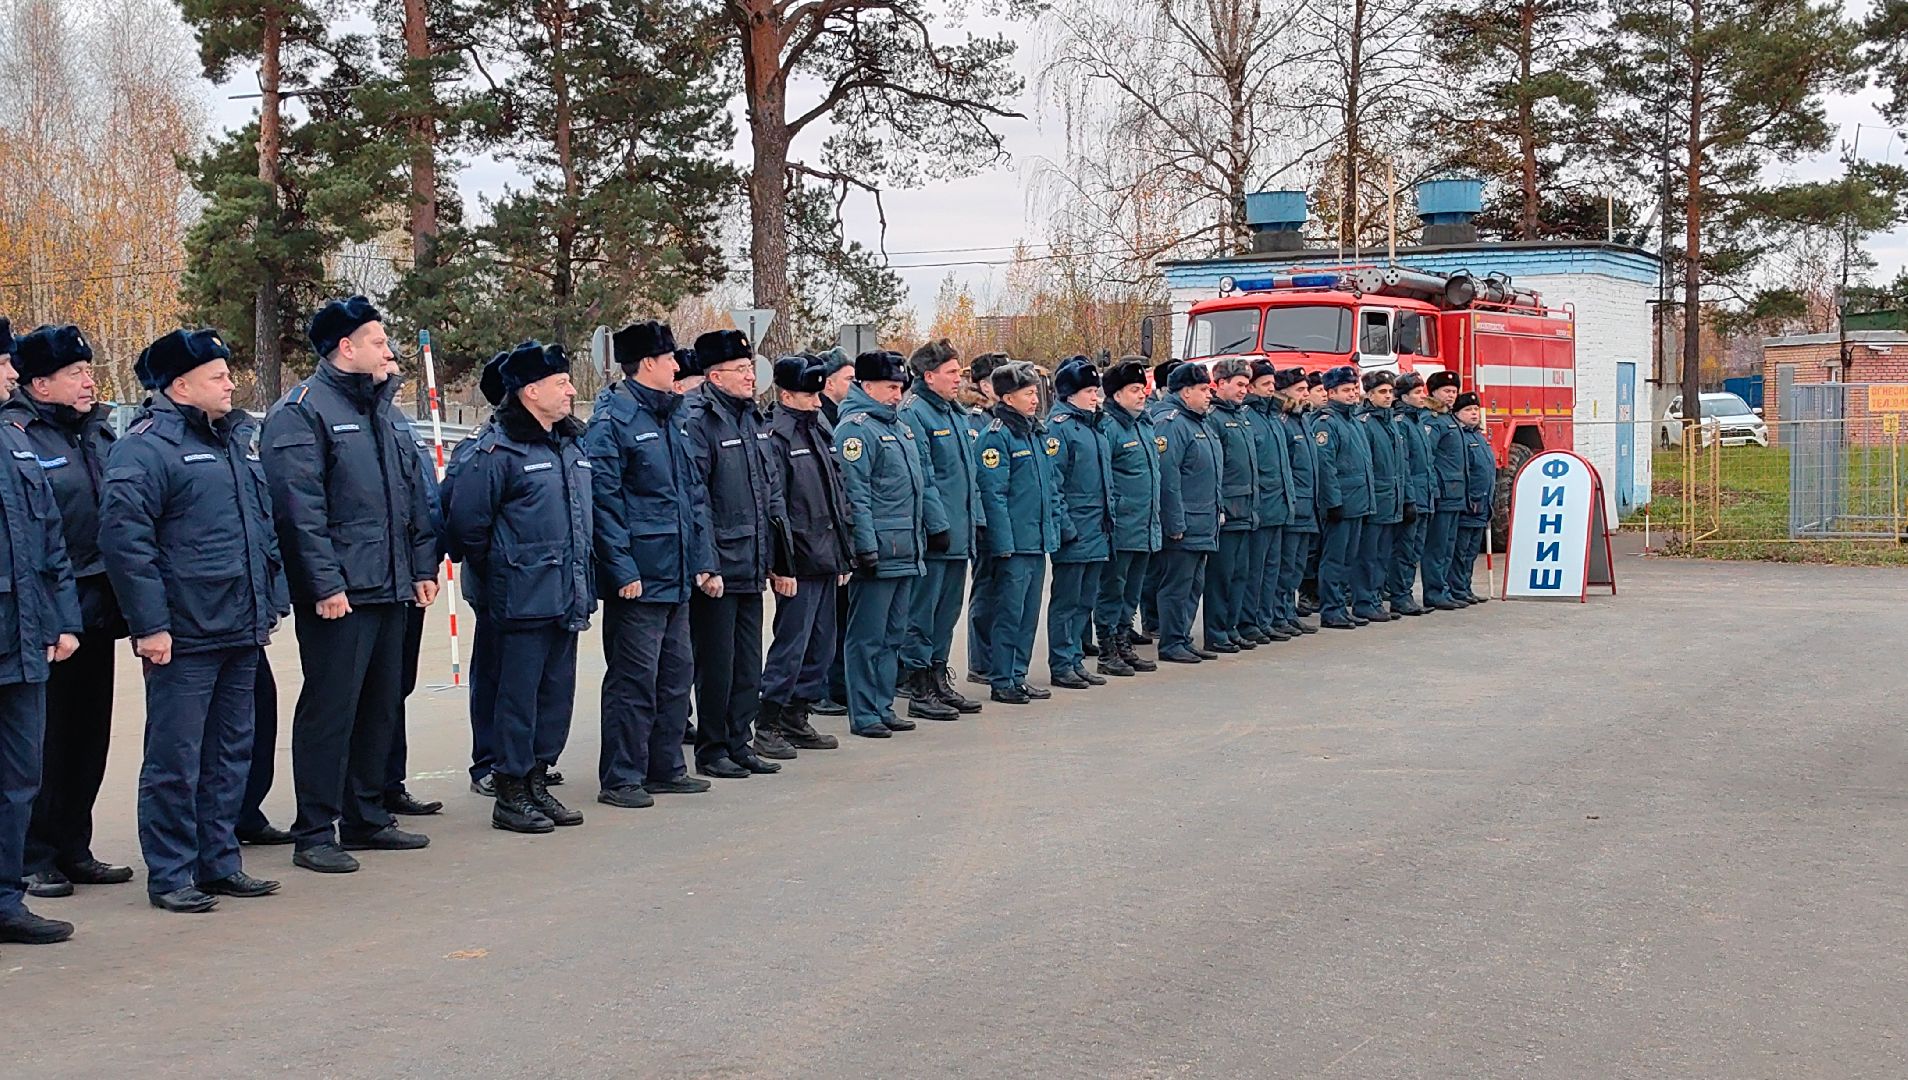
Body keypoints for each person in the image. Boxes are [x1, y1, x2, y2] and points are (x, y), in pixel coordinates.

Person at [102, 327, 287, 912]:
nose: (230, 383)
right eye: (217, 376)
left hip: (239, 623)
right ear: (181, 386)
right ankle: (172, 872)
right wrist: (150, 626)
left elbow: (261, 527)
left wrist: (270, 596)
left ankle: (219, 861)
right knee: (176, 759)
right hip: (183, 632)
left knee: (231, 751)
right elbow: (127, 544)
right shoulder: (145, 448)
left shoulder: (235, 440)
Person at [264, 297, 439, 875]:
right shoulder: (302, 412)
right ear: (346, 347)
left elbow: (415, 500)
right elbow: (298, 512)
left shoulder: (385, 412)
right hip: (341, 593)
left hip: (390, 586)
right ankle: (314, 831)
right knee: (330, 710)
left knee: (381, 705)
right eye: (379, 341)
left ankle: (365, 817)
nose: (389, 351)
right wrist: (324, 584)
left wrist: (420, 569)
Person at [446, 341, 593, 833]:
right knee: (516, 696)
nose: (571, 390)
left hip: (564, 591)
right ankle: (509, 789)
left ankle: (536, 778)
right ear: (531, 391)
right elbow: (468, 526)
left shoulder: (569, 443)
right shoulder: (496, 450)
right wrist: (506, 574)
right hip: (519, 596)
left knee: (555, 695)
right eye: (561, 383)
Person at [7, 326, 132, 897]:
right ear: (40, 383)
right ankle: (33, 855)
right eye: (76, 373)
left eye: (89, 371)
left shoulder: (97, 433)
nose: (89, 381)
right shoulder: (20, 436)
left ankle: (73, 845)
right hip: (46, 612)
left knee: (88, 736)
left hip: (97, 607)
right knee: (43, 743)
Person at [588, 320, 713, 807]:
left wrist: (701, 560)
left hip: (677, 570)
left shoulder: (673, 417)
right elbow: (605, 502)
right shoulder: (613, 421)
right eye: (669, 360)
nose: (678, 367)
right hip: (640, 575)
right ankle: (621, 777)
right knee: (632, 680)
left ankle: (664, 767)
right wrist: (622, 570)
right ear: (647, 364)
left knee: (675, 674)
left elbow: (691, 496)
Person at [0, 317, 82, 943]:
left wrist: (60, 621)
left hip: (22, 639)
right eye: (1, 363)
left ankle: (7, 899)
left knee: (19, 777)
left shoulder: (14, 442)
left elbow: (49, 543)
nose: (10, 373)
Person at [684, 329, 784, 778]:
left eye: (751, 368)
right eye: (741, 370)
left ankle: (740, 740)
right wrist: (706, 563)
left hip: (752, 558)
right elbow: (696, 498)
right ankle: (712, 747)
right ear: (714, 375)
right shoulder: (699, 420)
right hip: (720, 563)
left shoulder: (752, 419)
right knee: (717, 664)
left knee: (748, 661)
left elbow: (769, 494)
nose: (750, 377)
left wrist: (779, 558)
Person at [759, 355, 848, 752]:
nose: (816, 401)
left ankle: (798, 714)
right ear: (786, 395)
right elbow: (774, 504)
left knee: (822, 645)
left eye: (818, 393)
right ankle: (769, 722)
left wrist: (845, 555)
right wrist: (782, 564)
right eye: (808, 394)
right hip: (799, 559)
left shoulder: (818, 429)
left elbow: (836, 495)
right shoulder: (776, 437)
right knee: (791, 645)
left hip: (827, 555)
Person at [835, 350, 926, 737]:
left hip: (906, 547)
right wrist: (865, 547)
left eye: (900, 387)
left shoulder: (899, 428)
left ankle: (883, 703)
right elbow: (856, 496)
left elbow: (915, 491)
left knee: (893, 635)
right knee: (867, 636)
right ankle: (864, 712)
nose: (897, 393)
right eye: (890, 387)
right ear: (866, 386)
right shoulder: (855, 430)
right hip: (880, 551)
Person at [896, 340, 980, 720]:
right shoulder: (916, 413)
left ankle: (938, 675)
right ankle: (918, 685)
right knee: (922, 614)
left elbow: (968, 476)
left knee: (946, 613)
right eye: (951, 373)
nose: (958, 379)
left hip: (959, 534)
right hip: (936, 536)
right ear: (928, 377)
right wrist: (937, 524)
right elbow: (924, 476)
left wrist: (975, 520)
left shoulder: (953, 413)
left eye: (959, 372)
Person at [973, 361, 1061, 703]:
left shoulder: (1034, 433)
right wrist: (1004, 544)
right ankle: (1002, 679)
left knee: (1027, 614)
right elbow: (992, 495)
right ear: (1007, 398)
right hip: (1014, 545)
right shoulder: (997, 437)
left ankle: (1018, 675)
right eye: (1027, 393)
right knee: (1008, 613)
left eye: (1035, 392)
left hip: (1035, 540)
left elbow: (1047, 487)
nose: (1035, 399)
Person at [383, 350, 446, 817]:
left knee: (395, 685)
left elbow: (424, 501)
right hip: (373, 579)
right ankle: (363, 791)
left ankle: (388, 782)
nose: (393, 369)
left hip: (406, 575)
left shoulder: (397, 423)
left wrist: (426, 566)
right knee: (368, 694)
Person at [446, 353, 508, 796]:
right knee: (492, 672)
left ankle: (522, 758)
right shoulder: (479, 446)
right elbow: (461, 516)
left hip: (538, 583)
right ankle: (486, 762)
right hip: (495, 582)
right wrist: (491, 565)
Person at [1046, 359, 1113, 689]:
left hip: (1096, 528)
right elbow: (1054, 482)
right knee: (1067, 601)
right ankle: (1061, 662)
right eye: (1088, 391)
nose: (1095, 396)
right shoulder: (1060, 427)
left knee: (1085, 600)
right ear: (1070, 394)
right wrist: (1065, 526)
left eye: (1095, 390)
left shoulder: (1093, 426)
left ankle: (1074, 658)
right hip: (1075, 529)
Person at [1091, 359, 1160, 677]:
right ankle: (1107, 649)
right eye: (1134, 390)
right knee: (1113, 589)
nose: (1142, 395)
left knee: (1132, 591)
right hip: (1121, 525)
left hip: (1145, 523)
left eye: (1142, 388)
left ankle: (1123, 643)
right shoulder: (1109, 426)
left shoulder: (1144, 424)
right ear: (1116, 395)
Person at [1153, 362, 1221, 664]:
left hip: (1203, 519)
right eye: (1204, 390)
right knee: (1176, 586)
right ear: (1185, 392)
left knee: (1194, 584)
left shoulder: (1199, 421)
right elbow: (1169, 478)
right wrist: (1175, 522)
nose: (1210, 395)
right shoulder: (1172, 423)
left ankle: (1182, 637)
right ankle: (1170, 642)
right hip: (1185, 523)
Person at [1201, 359, 1259, 653]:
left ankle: (1231, 627)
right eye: (1238, 384)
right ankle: (1215, 631)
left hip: (1246, 508)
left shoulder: (1242, 417)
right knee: (1221, 577)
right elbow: (1216, 470)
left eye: (1246, 385)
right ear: (1220, 383)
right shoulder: (1214, 418)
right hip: (1228, 510)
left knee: (1239, 574)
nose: (1243, 390)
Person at [1312, 366, 1373, 630]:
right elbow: (1326, 467)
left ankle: (1341, 607)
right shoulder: (1326, 423)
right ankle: (1331, 609)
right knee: (1334, 560)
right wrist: (1332, 502)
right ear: (1331, 392)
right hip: (1342, 503)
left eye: (1354, 389)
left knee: (1349, 558)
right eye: (1346, 390)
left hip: (1358, 501)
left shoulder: (1354, 422)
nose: (1352, 394)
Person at [1240, 360, 1295, 644]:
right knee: (1255, 570)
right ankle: (1249, 621)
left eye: (1273, 384)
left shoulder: (1274, 417)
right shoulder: (1249, 417)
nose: (1272, 389)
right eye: (1265, 384)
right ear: (1251, 387)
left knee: (1272, 568)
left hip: (1279, 504)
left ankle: (1265, 618)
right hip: (1260, 506)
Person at [813, 347, 855, 715]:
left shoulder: (839, 417)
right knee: (823, 622)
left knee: (840, 616)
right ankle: (822, 688)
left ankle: (838, 685)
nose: (853, 385)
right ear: (828, 383)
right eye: (848, 379)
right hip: (817, 539)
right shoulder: (823, 421)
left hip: (838, 536)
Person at [963, 352, 1005, 689]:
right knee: (987, 590)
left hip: (1007, 520)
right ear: (986, 385)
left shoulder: (1006, 420)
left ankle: (999, 658)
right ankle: (980, 661)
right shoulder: (972, 422)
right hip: (984, 521)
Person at [1271, 369, 1320, 638]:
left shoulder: (1302, 420)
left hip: (1307, 504)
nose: (1305, 394)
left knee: (1297, 566)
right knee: (1285, 565)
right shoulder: (1284, 421)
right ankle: (1279, 614)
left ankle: (1288, 613)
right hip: (1292, 504)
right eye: (1300, 390)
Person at [1354, 370, 1405, 624]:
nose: (1388, 396)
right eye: (1382, 392)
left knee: (1383, 554)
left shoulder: (1391, 422)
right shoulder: (1366, 424)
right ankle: (1364, 601)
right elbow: (1366, 467)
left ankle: (1375, 599)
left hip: (1391, 500)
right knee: (1369, 555)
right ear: (1370, 395)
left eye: (1390, 391)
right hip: (1376, 500)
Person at [1389, 372, 1435, 617]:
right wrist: (1409, 498)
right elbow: (1404, 465)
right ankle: (1400, 595)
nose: (1422, 397)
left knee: (1415, 549)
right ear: (1404, 397)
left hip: (1424, 494)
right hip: (1412, 495)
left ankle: (1405, 593)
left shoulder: (1417, 421)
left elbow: (1427, 464)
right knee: (1404, 550)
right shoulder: (1402, 422)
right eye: (1417, 393)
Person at [1421, 371, 1467, 611]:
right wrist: (1435, 487)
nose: (1451, 396)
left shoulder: (1450, 419)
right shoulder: (1433, 420)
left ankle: (1445, 589)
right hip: (1443, 492)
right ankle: (1434, 591)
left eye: (1453, 391)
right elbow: (1428, 456)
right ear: (1433, 392)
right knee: (1437, 547)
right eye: (1446, 391)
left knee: (1449, 546)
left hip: (1456, 492)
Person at [1452, 392, 1495, 605]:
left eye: (1476, 410)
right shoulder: (1460, 437)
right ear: (1457, 414)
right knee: (1460, 551)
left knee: (1471, 552)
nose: (1474, 413)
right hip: (1469, 503)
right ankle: (1457, 588)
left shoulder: (1478, 436)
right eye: (1468, 410)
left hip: (1483, 502)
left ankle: (1465, 587)